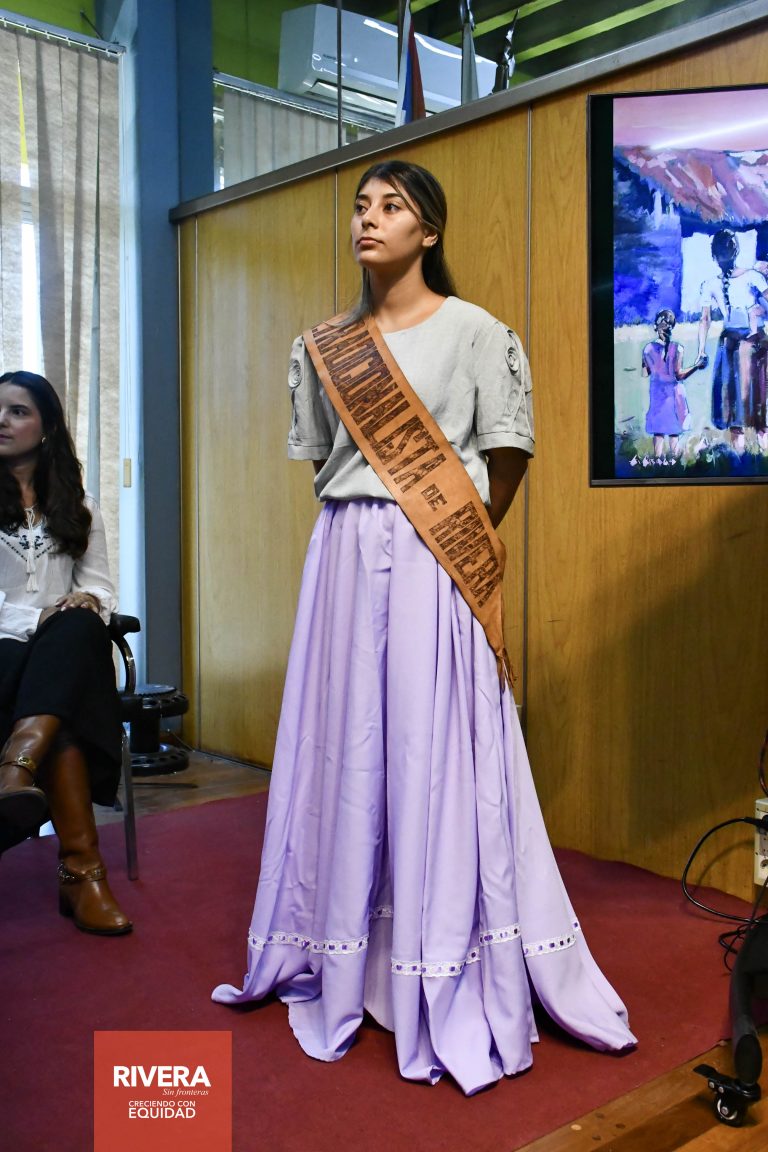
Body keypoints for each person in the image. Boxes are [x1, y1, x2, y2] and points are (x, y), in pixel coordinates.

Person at [213, 160, 635, 1093]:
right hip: (344, 562)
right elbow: (324, 464)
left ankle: (438, 954)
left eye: (392, 206)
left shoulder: (477, 332)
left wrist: (450, 544)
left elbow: (506, 460)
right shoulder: (323, 346)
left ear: (428, 230)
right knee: (349, 745)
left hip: (435, 560)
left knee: (431, 748)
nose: (368, 219)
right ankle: (346, 942)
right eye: (361, 206)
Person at [0, 370, 131, 936]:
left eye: (17, 411)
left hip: (60, 657)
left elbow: (100, 585)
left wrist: (84, 600)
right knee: (64, 693)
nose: (2, 421)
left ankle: (18, 763)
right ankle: (82, 874)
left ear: (47, 426)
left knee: (80, 624)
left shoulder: (80, 506)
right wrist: (42, 619)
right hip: (4, 654)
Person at [697, 228, 768, 453]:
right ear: (735, 251)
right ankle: (755, 453)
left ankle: (743, 455)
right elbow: (705, 319)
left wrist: (701, 351)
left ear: (714, 256)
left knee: (737, 403)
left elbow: (705, 320)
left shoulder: (710, 284)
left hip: (740, 343)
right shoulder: (753, 277)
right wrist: (759, 310)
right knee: (753, 401)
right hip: (747, 342)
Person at [642, 308, 706, 462]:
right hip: (674, 394)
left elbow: (645, 373)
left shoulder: (647, 349)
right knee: (674, 431)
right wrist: (697, 366)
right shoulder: (677, 348)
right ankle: (674, 462)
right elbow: (679, 375)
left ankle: (657, 462)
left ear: (656, 326)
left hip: (657, 393)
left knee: (658, 431)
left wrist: (655, 367)